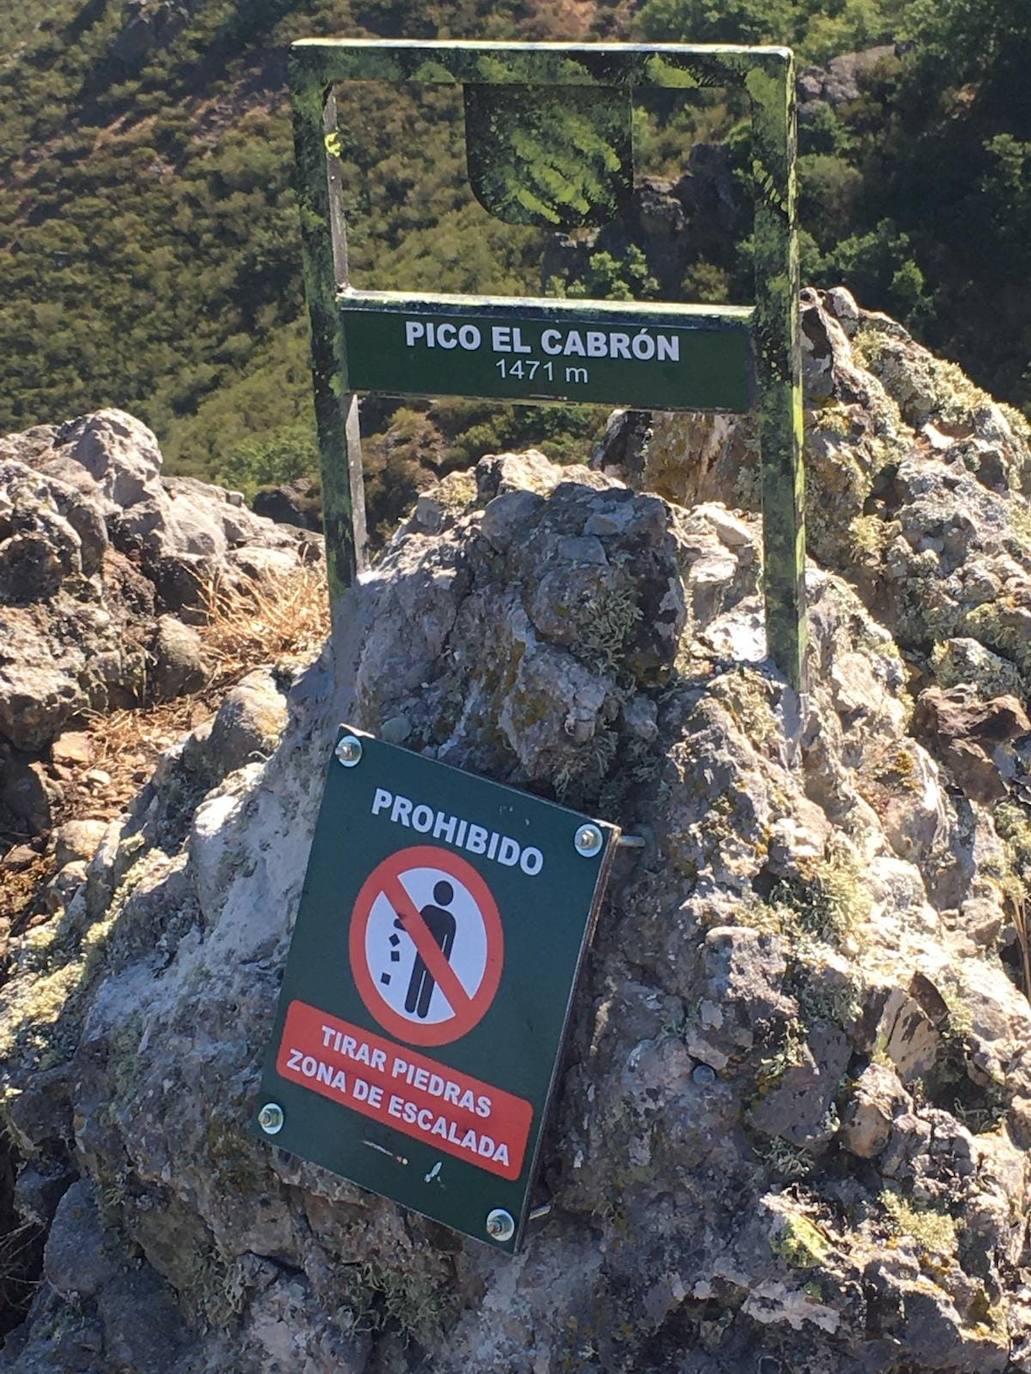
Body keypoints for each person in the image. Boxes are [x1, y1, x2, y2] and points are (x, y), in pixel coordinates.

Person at [404, 880, 457, 1018]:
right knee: (419, 979)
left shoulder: (448, 918)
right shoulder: (435, 912)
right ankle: (411, 1006)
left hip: (432, 958)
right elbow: (414, 925)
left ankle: (420, 1010)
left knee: (427, 982)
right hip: (424, 954)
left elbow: (448, 942)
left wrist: (443, 963)